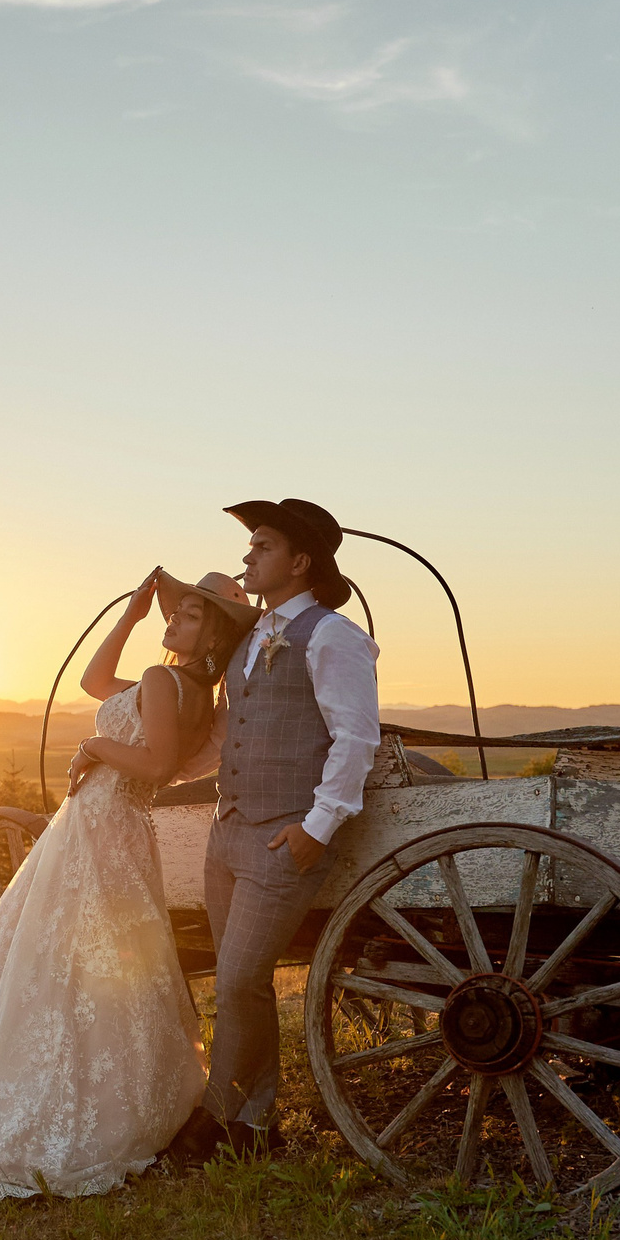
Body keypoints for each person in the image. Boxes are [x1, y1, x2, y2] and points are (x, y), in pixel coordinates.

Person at [0, 568, 257, 1205]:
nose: (172, 619)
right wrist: (132, 614)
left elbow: (154, 764)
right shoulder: (190, 689)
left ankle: (45, 1109)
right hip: (118, 827)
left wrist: (94, 744)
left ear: (212, 638)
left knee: (59, 955)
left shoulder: (161, 680)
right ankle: (128, 1102)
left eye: (191, 616)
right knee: (94, 957)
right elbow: (96, 683)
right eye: (175, 611)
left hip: (100, 821)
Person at [174, 497, 381, 1163]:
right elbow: (230, 733)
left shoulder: (332, 635)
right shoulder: (252, 635)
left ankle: (215, 1115)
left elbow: (355, 740)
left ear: (300, 561)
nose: (247, 556)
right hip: (228, 832)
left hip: (282, 837)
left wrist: (314, 829)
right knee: (247, 984)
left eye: (261, 546)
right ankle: (255, 1125)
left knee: (235, 980)